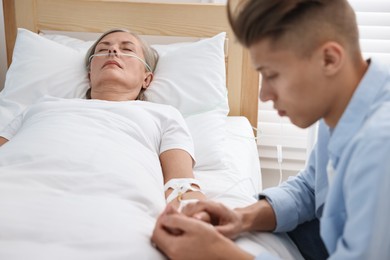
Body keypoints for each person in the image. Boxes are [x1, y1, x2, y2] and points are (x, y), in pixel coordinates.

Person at [151, 0, 390, 259]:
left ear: (329, 59)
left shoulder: (379, 145)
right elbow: (312, 189)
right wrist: (242, 217)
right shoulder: (344, 102)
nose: (264, 95)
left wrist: (219, 254)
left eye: (272, 74)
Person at [0, 28, 205, 209]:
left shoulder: (164, 115)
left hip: (112, 206)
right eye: (102, 48)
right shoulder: (42, 106)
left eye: (127, 49)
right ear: (89, 74)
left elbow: (181, 183)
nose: (113, 51)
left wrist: (197, 213)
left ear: (147, 78)